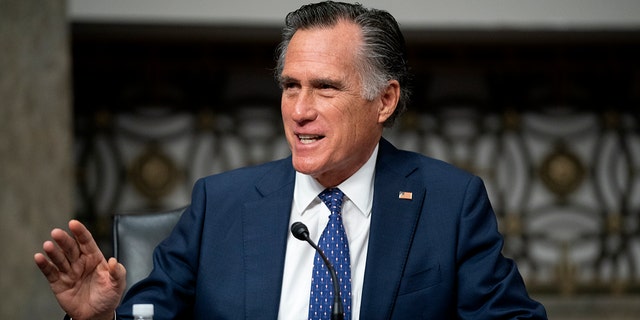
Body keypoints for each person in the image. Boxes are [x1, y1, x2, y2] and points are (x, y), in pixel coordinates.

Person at [34, 1, 547, 319]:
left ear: (384, 101)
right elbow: (152, 314)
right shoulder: (221, 204)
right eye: (290, 87)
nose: (299, 111)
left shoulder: (448, 203)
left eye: (325, 88)